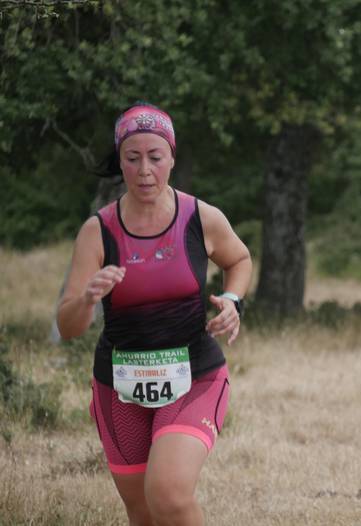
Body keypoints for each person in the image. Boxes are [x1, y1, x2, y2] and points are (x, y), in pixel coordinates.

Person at [57, 102, 252, 526]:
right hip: (119, 384)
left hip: (194, 374)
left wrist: (232, 300)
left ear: (172, 158)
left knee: (169, 496)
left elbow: (239, 259)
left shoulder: (200, 217)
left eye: (155, 157)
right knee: (143, 513)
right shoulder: (98, 231)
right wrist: (88, 299)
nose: (145, 170)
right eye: (132, 158)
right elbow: (68, 327)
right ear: (120, 162)